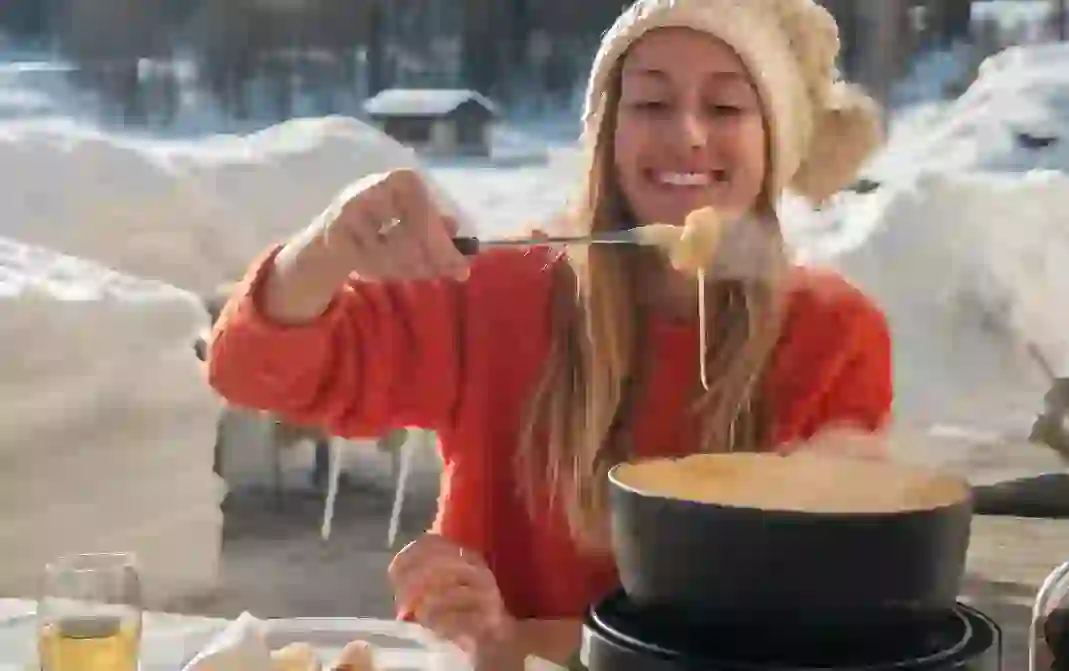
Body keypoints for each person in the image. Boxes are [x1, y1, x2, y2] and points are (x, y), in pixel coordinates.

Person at [206, 0, 889, 666]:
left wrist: (522, 644)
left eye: (725, 107)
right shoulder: (503, 290)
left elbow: (805, 629)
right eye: (650, 103)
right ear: (606, 136)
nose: (687, 134)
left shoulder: (831, 335)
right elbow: (251, 368)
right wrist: (326, 245)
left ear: (774, 143)